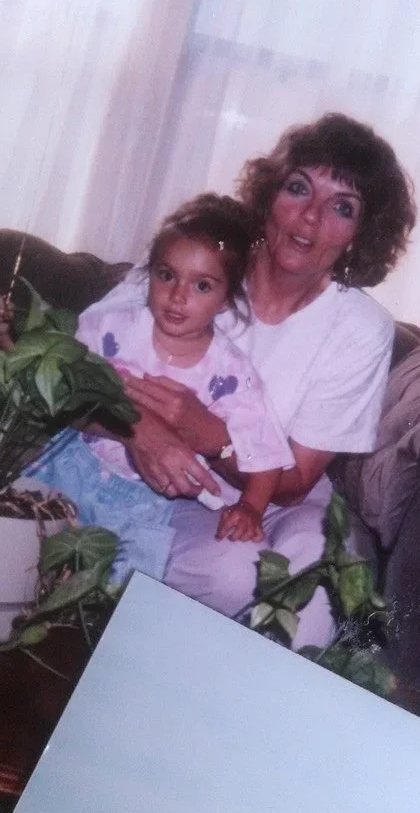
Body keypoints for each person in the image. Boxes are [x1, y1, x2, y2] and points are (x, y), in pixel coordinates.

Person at [111, 113, 417, 649]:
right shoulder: (203, 260)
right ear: (269, 193)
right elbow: (89, 362)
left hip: (289, 497)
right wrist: (144, 429)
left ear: (360, 235)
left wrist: (212, 435)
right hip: (171, 492)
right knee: (240, 576)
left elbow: (296, 478)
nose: (310, 216)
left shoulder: (361, 328)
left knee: (316, 589)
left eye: (342, 207)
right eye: (298, 188)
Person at [0, 195, 294, 581]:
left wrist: (252, 508)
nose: (178, 295)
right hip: (69, 465)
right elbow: (54, 377)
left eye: (202, 285)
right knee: (17, 560)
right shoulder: (112, 327)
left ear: (227, 297)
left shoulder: (232, 371)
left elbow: (265, 453)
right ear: (149, 273)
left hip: (144, 502)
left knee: (100, 598)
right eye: (166, 275)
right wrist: (8, 340)